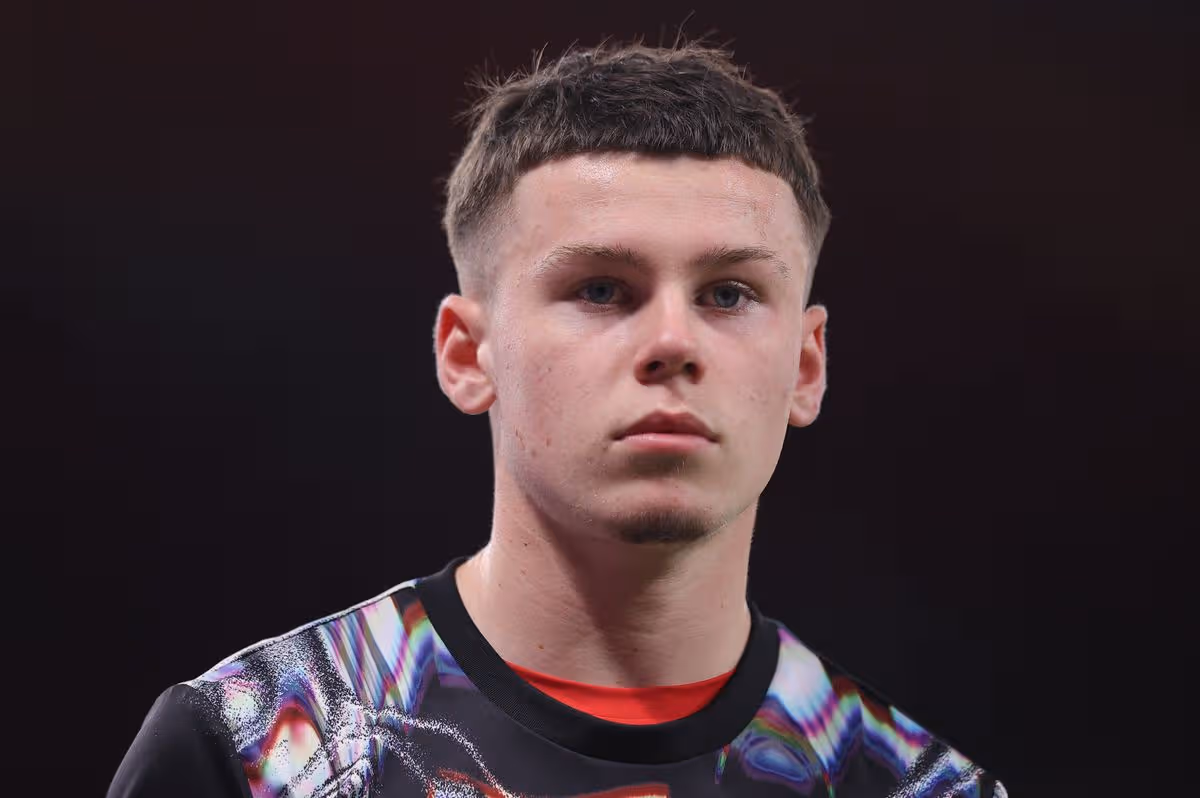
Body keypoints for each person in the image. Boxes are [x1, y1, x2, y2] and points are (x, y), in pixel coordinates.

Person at [108, 39, 1006, 797]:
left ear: (806, 367)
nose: (672, 341)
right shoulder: (254, 753)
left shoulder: (917, 787)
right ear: (468, 354)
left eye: (729, 293)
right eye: (601, 289)